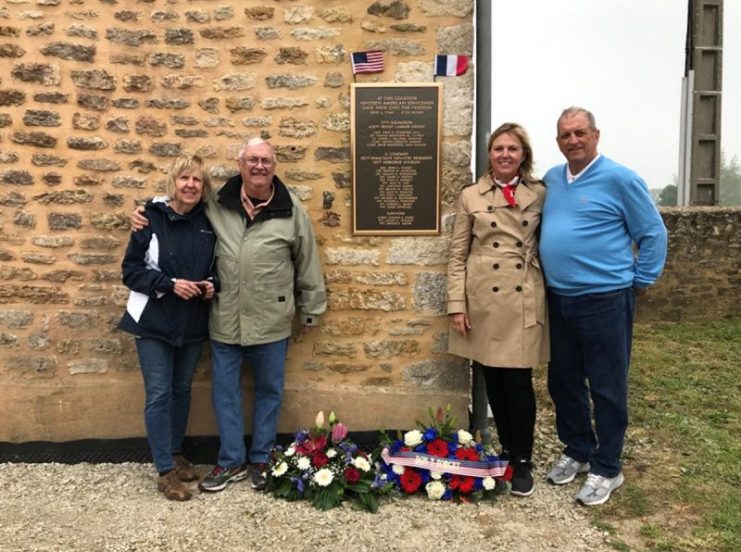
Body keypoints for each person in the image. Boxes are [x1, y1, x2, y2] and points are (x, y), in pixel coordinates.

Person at [131, 138, 327, 494]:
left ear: (275, 165)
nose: (258, 166)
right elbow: (178, 203)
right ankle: (231, 460)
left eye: (265, 160)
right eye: (252, 159)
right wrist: (144, 210)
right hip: (225, 318)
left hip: (272, 318)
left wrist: (312, 309)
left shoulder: (292, 209)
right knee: (225, 393)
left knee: (269, 390)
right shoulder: (217, 203)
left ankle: (263, 458)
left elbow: (307, 261)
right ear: (240, 164)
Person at [540, 107, 668, 506]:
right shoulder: (552, 180)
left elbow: (653, 233)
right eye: (565, 135)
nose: (573, 140)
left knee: (608, 386)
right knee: (563, 380)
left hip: (605, 300)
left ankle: (607, 467)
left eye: (580, 132)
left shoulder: (620, 178)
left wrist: (641, 280)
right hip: (559, 297)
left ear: (595, 135)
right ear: (558, 141)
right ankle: (578, 449)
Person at [447, 122, 549, 497]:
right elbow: (457, 255)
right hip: (484, 298)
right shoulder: (470, 195)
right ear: (489, 154)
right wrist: (456, 304)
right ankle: (505, 450)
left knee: (519, 381)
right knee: (492, 376)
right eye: (498, 148)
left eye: (512, 149)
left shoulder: (540, 194)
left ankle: (522, 458)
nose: (504, 154)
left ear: (524, 155)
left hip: (522, 295)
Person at [119, 154, 217, 501]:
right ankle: (164, 471)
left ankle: (176, 453)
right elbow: (131, 271)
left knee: (182, 390)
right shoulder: (150, 218)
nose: (190, 185)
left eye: (197, 180)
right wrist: (169, 283)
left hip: (190, 321)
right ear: (172, 183)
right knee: (160, 393)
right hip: (154, 320)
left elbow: (217, 269)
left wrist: (209, 286)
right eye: (184, 178)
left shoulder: (209, 222)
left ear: (204, 188)